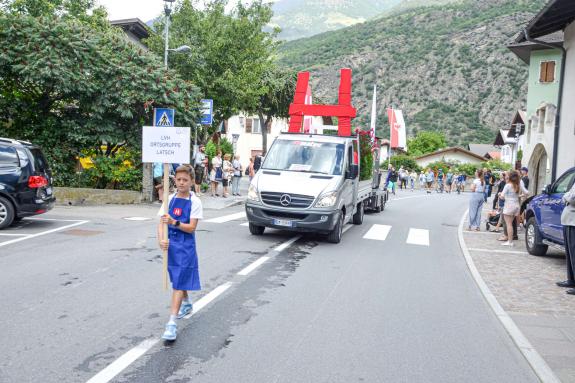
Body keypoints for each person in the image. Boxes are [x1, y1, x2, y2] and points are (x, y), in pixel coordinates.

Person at [157, 165, 203, 341]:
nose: (181, 183)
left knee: (178, 282)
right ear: (174, 180)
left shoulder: (195, 202)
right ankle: (187, 303)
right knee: (177, 278)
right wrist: (161, 239)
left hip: (185, 247)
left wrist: (174, 222)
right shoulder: (170, 199)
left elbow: (191, 228)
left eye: (185, 180)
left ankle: (171, 323)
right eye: (179, 180)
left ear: (191, 181)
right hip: (171, 246)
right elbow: (161, 223)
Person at [498, 170, 526, 246]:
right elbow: (526, 193)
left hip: (509, 206)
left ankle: (510, 242)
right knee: (511, 224)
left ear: (510, 177)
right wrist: (522, 196)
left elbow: (502, 197)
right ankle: (511, 240)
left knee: (509, 224)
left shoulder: (507, 185)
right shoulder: (518, 185)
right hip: (516, 205)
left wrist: (499, 194)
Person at [557, 181, 575, 295]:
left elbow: (572, 198)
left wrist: (566, 196)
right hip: (569, 220)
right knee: (569, 253)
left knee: (574, 253)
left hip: (573, 221)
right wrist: (567, 196)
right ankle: (571, 279)